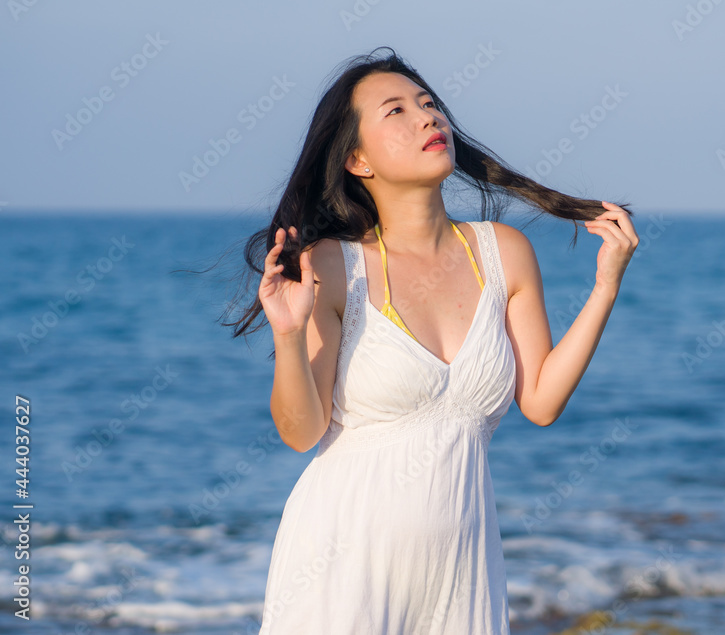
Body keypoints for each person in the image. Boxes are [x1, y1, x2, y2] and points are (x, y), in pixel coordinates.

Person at [230, 47, 637, 634]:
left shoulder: (503, 253)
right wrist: (289, 335)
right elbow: (301, 433)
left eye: (428, 104)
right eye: (395, 110)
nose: (427, 118)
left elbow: (542, 402)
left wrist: (605, 285)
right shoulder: (332, 267)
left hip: (463, 572)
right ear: (357, 160)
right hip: (341, 565)